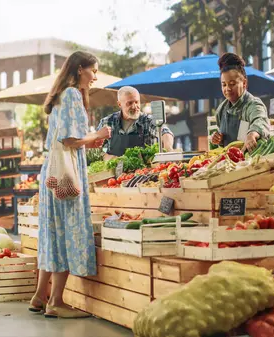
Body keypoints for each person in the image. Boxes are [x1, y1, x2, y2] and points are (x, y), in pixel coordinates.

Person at [28, 51, 111, 318]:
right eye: (93, 71)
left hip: (53, 172)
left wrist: (88, 139)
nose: (95, 77)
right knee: (66, 231)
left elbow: (66, 138)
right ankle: (57, 302)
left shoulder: (59, 95)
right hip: (69, 173)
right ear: (79, 70)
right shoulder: (73, 94)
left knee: (52, 232)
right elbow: (69, 140)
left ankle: (39, 296)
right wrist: (97, 134)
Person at [210, 53, 270, 151]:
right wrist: (218, 139)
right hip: (230, 163)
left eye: (232, 84)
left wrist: (252, 134)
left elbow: (260, 120)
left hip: (252, 162)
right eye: (224, 85)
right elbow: (224, 141)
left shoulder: (253, 104)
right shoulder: (221, 110)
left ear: (244, 83)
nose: (228, 89)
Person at [97, 86, 174, 159]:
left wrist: (168, 148)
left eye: (137, 102)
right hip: (113, 171)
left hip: (144, 171)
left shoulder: (148, 121)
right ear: (119, 104)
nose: (134, 106)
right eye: (129, 103)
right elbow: (98, 147)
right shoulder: (107, 122)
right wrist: (106, 156)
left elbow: (165, 132)